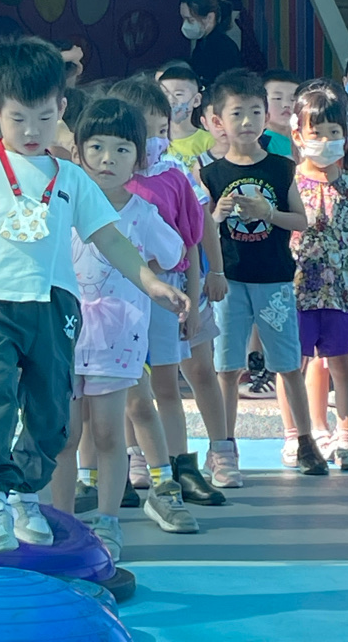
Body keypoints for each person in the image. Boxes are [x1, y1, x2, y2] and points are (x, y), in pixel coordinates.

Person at [0, 38, 190, 559]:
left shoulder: (72, 178)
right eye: (18, 119)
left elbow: (110, 239)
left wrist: (151, 283)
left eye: (44, 118)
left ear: (61, 110)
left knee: (52, 413)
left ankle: (24, 493)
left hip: (55, 306)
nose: (32, 131)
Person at [51, 97, 187, 561]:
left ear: (140, 158)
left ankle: (107, 522)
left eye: (122, 149)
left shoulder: (143, 214)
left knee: (110, 433)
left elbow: (172, 254)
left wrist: (154, 281)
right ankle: (63, 522)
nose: (108, 158)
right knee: (65, 436)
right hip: (64, 336)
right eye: (97, 147)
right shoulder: (60, 206)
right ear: (78, 152)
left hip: (117, 342)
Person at [111, 76, 239, 495]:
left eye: (161, 130)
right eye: (144, 130)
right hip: (119, 292)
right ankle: (135, 457)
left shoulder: (176, 173)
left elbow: (195, 235)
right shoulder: (105, 177)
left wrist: (205, 281)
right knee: (127, 381)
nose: (154, 140)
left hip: (172, 290)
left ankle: (189, 463)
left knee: (174, 378)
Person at [200, 68, 328, 480]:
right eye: (237, 113)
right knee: (226, 367)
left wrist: (268, 213)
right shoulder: (210, 174)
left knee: (288, 363)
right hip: (230, 281)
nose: (247, 122)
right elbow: (201, 231)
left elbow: (302, 221)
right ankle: (223, 447)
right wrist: (216, 217)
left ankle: (305, 441)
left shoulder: (282, 167)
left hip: (275, 280)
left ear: (266, 115)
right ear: (218, 120)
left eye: (256, 112)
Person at [286, 79, 348, 471]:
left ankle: (346, 438)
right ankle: (298, 436)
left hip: (342, 292)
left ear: (345, 137)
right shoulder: (287, 182)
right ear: (298, 135)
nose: (325, 140)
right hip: (295, 292)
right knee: (292, 365)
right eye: (316, 133)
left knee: (344, 364)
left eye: (333, 132)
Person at [158, 64, 214, 201]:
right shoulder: (153, 140)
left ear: (196, 100)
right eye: (165, 95)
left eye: (178, 94)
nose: (171, 100)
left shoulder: (209, 141)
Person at [179, 0, 242, 89]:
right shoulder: (202, 43)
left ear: (209, 18)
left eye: (190, 20)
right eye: (183, 19)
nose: (185, 25)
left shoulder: (224, 48)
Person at [260, 69, 300, 158]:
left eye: (293, 99)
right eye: (277, 98)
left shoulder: (308, 142)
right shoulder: (260, 144)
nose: (286, 104)